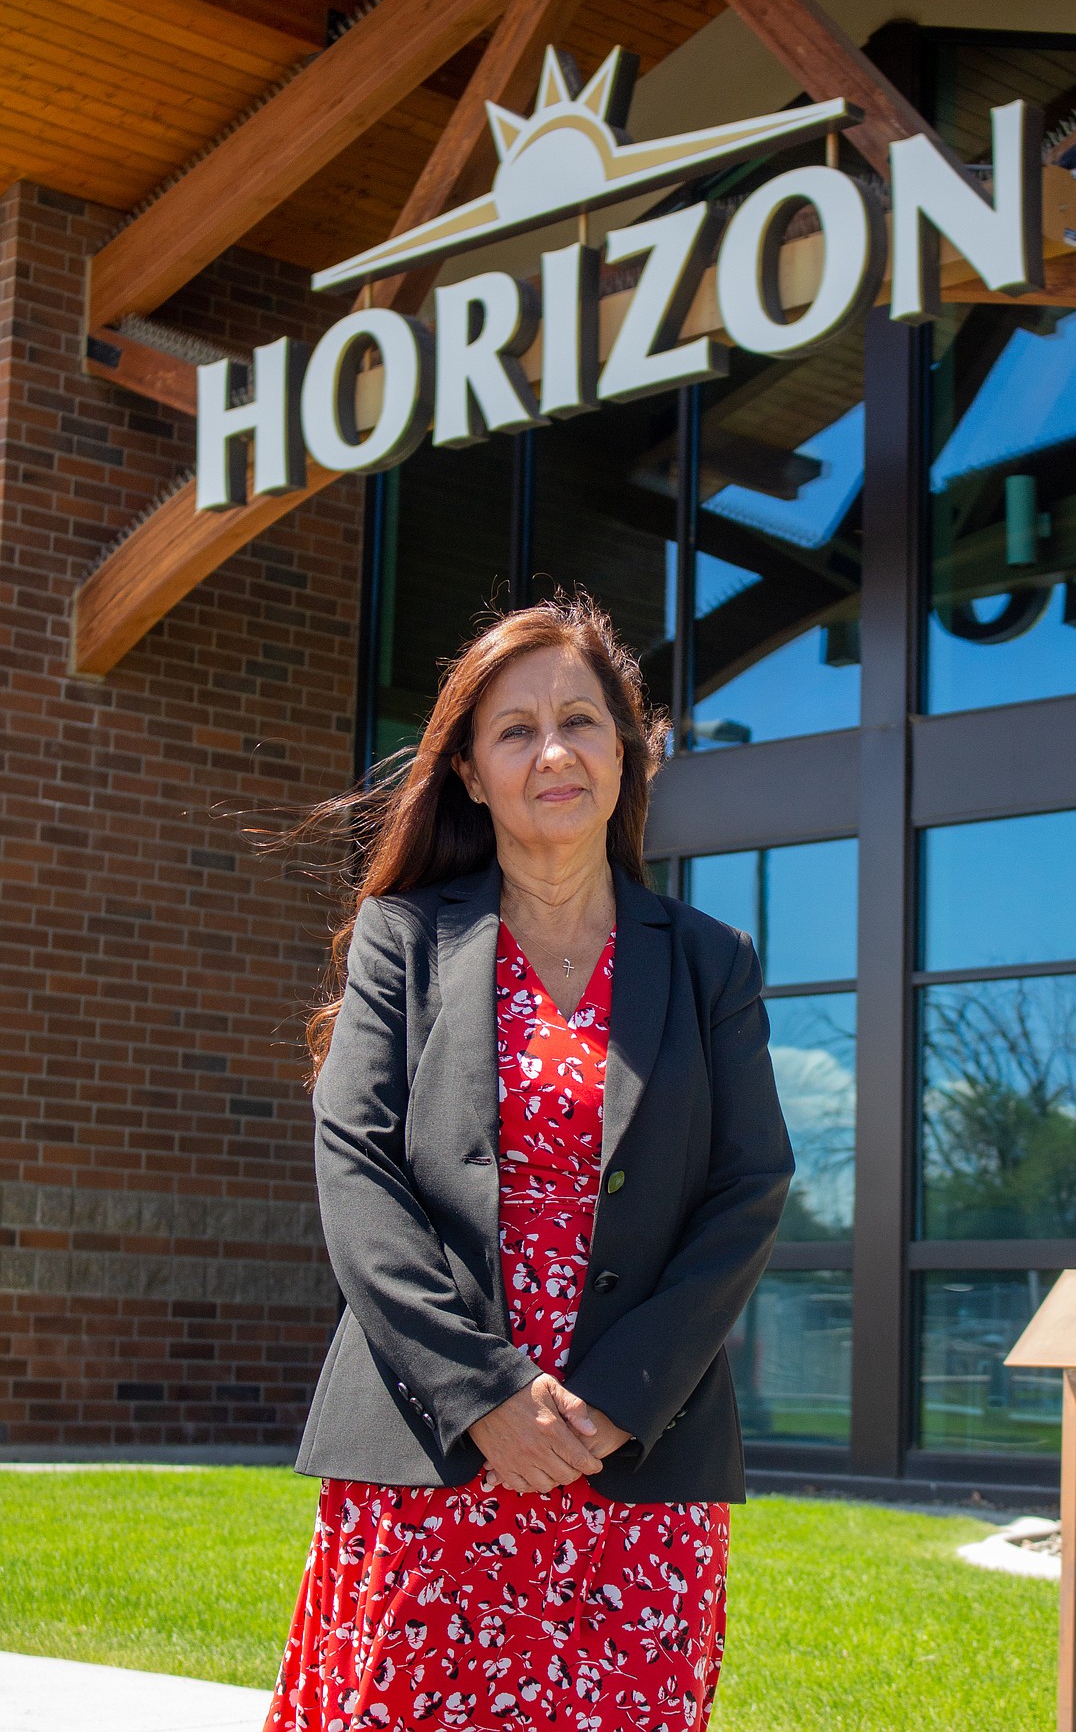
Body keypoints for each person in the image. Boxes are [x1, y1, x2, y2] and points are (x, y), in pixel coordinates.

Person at [266, 595, 793, 1732]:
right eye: (515, 729)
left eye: (582, 721)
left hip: (633, 1457)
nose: (553, 751)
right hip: (435, 1444)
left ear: (627, 748)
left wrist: (616, 1399)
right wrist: (485, 1396)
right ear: (467, 770)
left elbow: (748, 1190)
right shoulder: (401, 939)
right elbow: (358, 1171)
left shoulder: (711, 963)